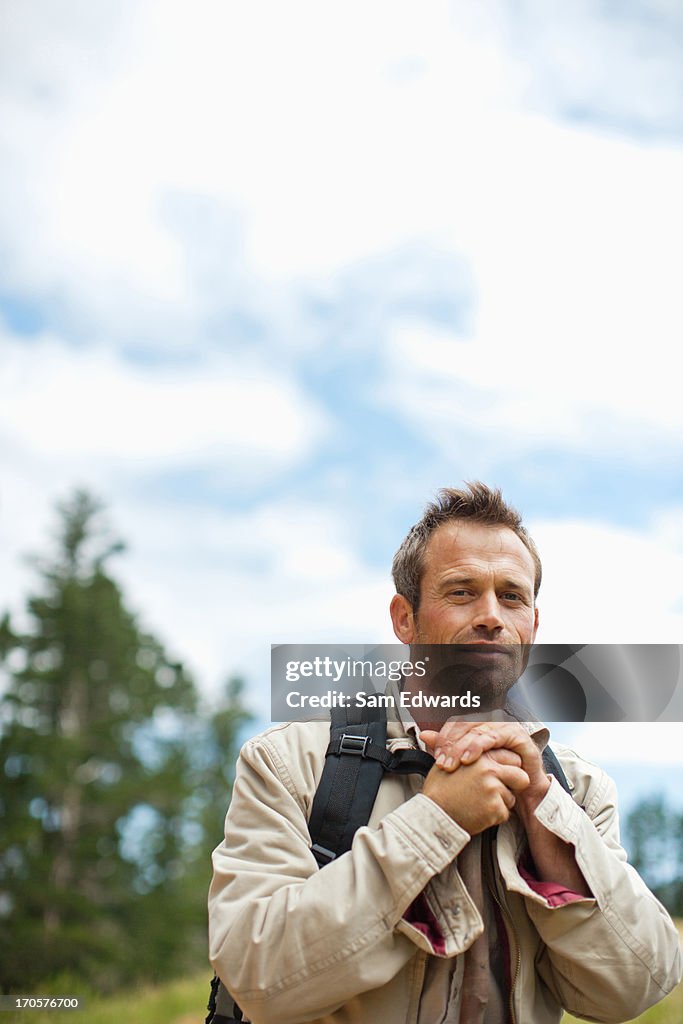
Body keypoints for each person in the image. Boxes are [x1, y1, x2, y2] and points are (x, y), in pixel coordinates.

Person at [208, 482, 682, 1024]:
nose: (490, 616)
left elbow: (638, 988)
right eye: (461, 592)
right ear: (404, 619)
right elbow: (258, 981)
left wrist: (542, 806)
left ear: (533, 624)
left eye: (511, 596)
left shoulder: (576, 789)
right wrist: (438, 819)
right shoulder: (291, 762)